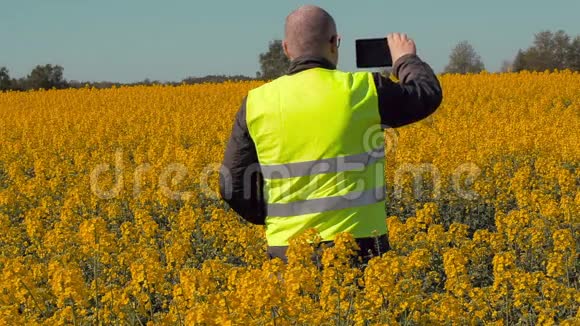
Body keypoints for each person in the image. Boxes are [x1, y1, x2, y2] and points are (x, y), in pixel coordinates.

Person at [219, 5, 442, 264]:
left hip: (287, 253)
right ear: (335, 43)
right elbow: (426, 93)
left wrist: (272, 217)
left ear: (286, 48)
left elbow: (231, 184)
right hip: (361, 248)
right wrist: (405, 59)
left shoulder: (256, 103)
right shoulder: (364, 90)